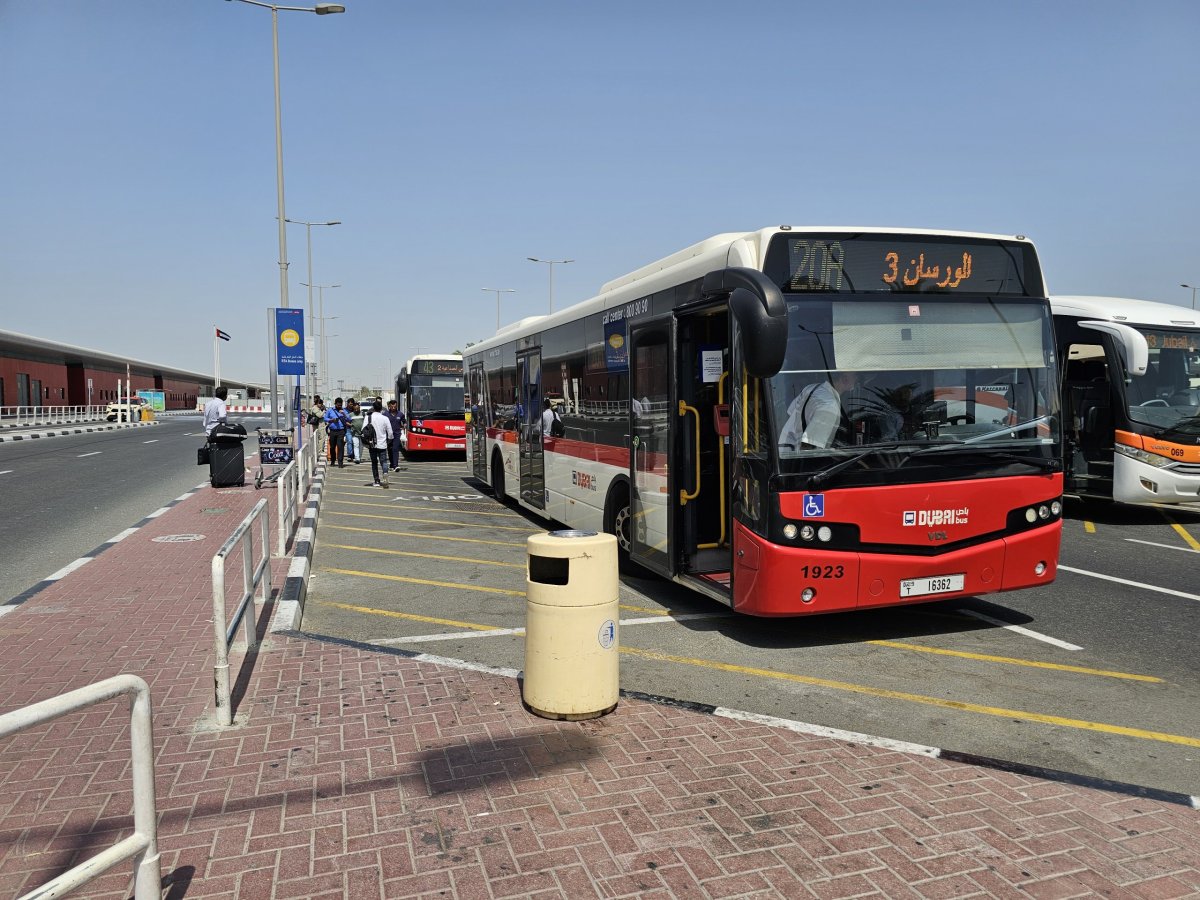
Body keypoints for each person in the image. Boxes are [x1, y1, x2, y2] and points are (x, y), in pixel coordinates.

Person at [779, 371, 857, 450]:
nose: (856, 379)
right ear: (845, 379)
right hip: (793, 456)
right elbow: (809, 449)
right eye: (855, 376)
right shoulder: (829, 407)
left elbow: (790, 412)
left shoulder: (812, 388)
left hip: (784, 446)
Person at [364, 400, 394, 487]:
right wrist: (389, 441)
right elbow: (390, 433)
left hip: (372, 444)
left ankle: (376, 481)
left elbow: (364, 430)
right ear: (381, 409)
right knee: (384, 462)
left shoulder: (368, 418)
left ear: (373, 408)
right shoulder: (385, 418)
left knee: (374, 462)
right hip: (382, 444)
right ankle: (385, 473)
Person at [323, 397, 349, 467]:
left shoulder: (344, 410)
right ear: (335, 404)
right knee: (332, 447)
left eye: (340, 405)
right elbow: (325, 418)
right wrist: (331, 420)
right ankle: (333, 460)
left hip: (341, 431)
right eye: (338, 405)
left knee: (340, 447)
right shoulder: (330, 410)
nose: (339, 406)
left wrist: (344, 414)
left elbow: (349, 419)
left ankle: (340, 462)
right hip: (332, 431)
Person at [384, 399, 405, 472]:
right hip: (388, 435)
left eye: (395, 406)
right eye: (392, 406)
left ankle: (396, 465)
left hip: (397, 434)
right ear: (389, 406)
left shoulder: (400, 414)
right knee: (390, 449)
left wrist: (404, 425)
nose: (393, 407)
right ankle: (392, 464)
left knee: (395, 449)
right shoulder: (385, 414)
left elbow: (404, 421)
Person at [348, 400, 365, 464]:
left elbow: (366, 421)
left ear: (359, 408)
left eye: (357, 408)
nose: (356, 410)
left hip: (362, 433)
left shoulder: (363, 414)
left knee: (361, 446)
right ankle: (357, 458)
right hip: (354, 433)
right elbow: (346, 421)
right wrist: (350, 425)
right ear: (353, 409)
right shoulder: (350, 415)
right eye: (355, 409)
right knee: (356, 445)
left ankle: (359, 457)